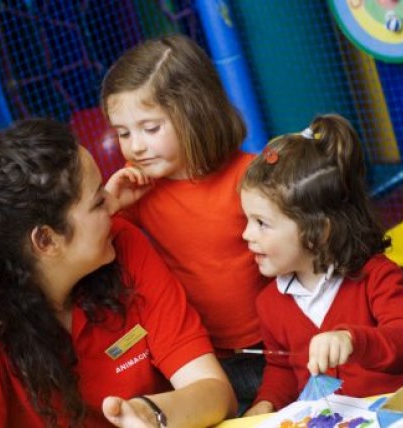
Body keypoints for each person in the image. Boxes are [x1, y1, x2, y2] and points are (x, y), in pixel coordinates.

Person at [0, 118, 236, 427]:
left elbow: (217, 393)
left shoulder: (121, 243)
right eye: (98, 202)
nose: (114, 204)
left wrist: (150, 414)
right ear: (45, 240)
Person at [102, 34, 270, 408]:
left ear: (195, 113)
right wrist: (110, 204)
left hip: (274, 351)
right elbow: (93, 244)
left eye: (150, 128)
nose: (136, 146)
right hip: (203, 362)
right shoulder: (139, 188)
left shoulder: (249, 178)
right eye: (123, 133)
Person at [240, 114, 403, 415]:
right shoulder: (269, 303)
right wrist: (267, 403)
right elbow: (282, 367)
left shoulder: (376, 276)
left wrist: (353, 340)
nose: (246, 234)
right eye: (247, 220)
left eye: (261, 223)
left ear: (318, 232)